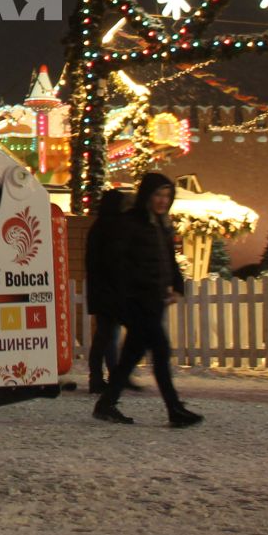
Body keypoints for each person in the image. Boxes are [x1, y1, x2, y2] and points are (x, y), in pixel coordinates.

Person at [92, 172, 201, 428]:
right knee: (161, 351)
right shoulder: (131, 224)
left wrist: (177, 286)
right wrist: (126, 294)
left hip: (153, 299)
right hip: (138, 301)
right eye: (158, 195)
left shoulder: (160, 224)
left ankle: (106, 403)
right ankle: (174, 409)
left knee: (131, 355)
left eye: (167, 195)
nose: (163, 200)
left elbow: (168, 258)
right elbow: (116, 263)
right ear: (147, 196)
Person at [83, 188, 135, 395]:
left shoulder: (99, 227)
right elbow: (114, 263)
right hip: (109, 291)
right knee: (107, 335)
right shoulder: (111, 228)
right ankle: (111, 376)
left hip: (101, 291)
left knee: (104, 336)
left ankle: (100, 377)